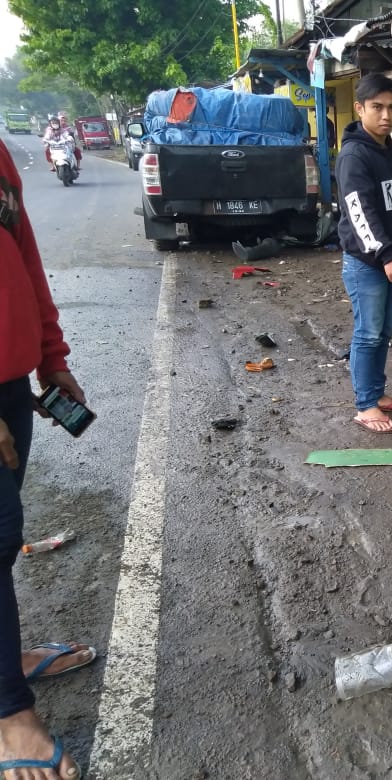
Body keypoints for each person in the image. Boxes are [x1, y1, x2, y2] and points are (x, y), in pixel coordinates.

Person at [1, 138, 91, 779]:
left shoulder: (1, 156)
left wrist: (51, 357)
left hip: (9, 381)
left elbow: (23, 256)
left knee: (6, 539)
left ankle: (6, 656)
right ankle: (11, 719)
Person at [336, 74, 392, 434]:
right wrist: (389, 255)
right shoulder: (353, 156)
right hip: (369, 264)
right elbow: (360, 213)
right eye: (377, 107)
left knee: (384, 333)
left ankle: (377, 394)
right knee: (368, 333)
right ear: (360, 109)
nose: (386, 115)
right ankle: (365, 406)